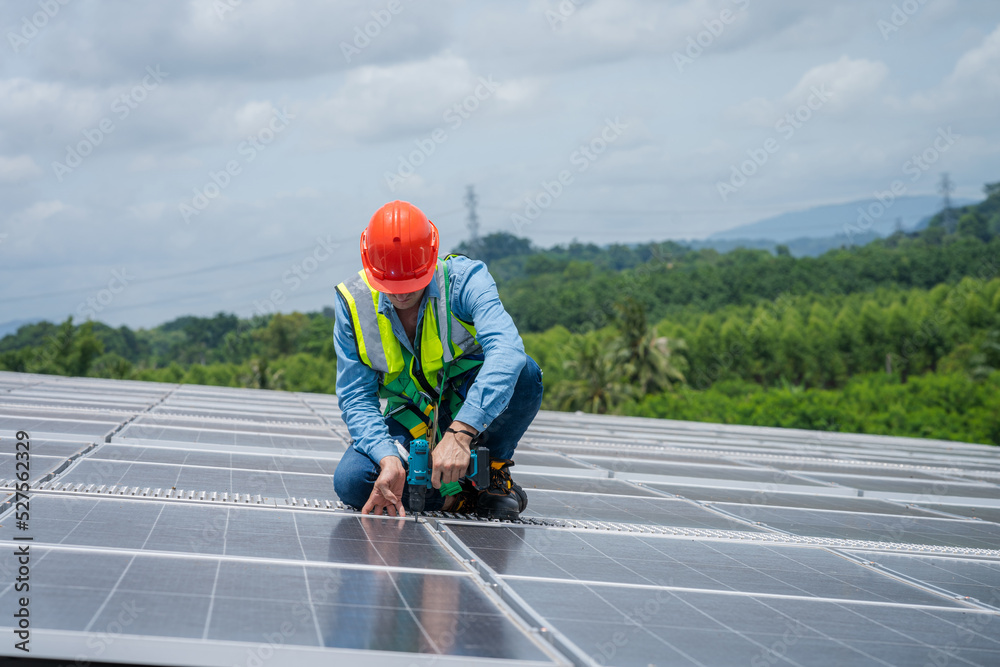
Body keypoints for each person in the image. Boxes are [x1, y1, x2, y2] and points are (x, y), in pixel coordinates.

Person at [332, 200, 543, 520]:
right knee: (354, 482)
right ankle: (459, 498)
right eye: (391, 286)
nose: (401, 295)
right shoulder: (354, 301)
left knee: (525, 373)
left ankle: (493, 476)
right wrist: (388, 458)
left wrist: (461, 432)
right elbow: (356, 397)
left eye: (411, 284)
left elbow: (507, 352)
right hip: (412, 418)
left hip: (468, 405)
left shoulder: (466, 281)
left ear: (431, 260)